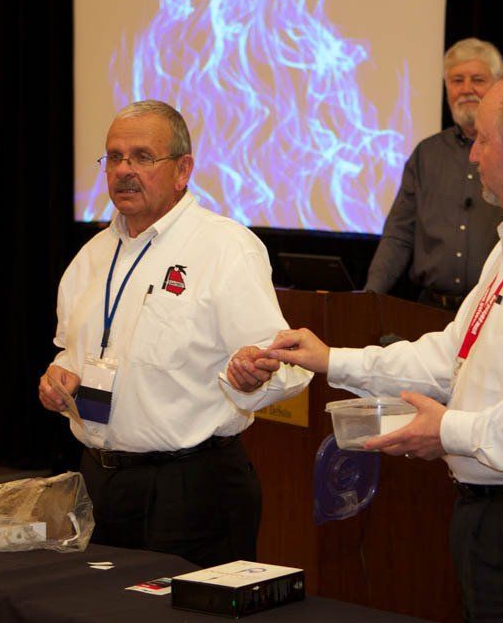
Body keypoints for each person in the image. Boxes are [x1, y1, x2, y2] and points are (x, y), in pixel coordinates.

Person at [249, 66, 503, 623]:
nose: (473, 155)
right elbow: (452, 358)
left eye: (484, 139)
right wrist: (333, 360)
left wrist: (452, 432)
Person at [37, 100, 312, 567]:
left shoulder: (226, 247)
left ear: (183, 170)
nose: (124, 170)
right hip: (100, 481)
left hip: (191, 488)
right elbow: (72, 351)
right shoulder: (90, 256)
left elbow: (287, 363)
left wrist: (256, 376)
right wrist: (60, 376)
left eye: (143, 157)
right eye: (114, 157)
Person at [365, 38, 503, 311]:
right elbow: (399, 234)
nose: (466, 89)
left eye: (477, 79)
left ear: (498, 86)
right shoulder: (426, 155)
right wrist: (369, 297)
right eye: (456, 81)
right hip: (429, 312)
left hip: (492, 314)